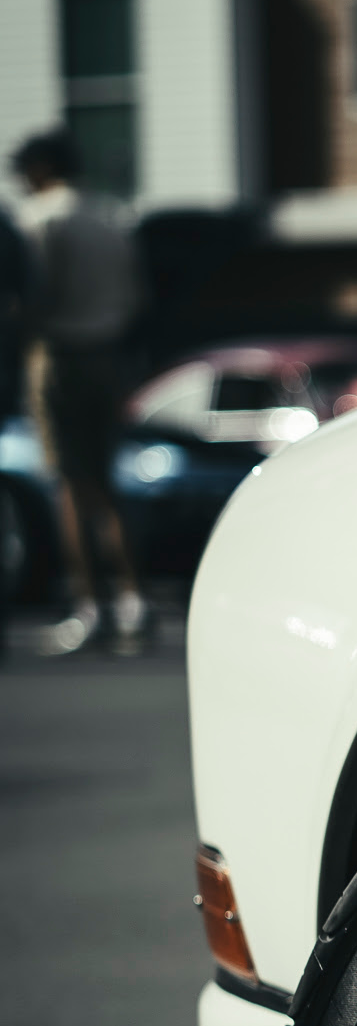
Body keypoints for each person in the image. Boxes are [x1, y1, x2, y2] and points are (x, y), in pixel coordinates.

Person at [10, 129, 147, 655]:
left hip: (59, 354)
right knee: (104, 481)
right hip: (108, 353)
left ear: (43, 167)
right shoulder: (110, 218)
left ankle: (88, 604)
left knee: (67, 482)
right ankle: (132, 597)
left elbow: (37, 297)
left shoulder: (41, 218)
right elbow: (136, 296)